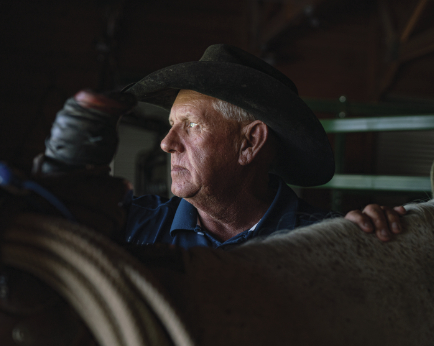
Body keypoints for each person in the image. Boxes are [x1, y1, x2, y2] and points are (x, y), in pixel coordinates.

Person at [37, 44, 405, 249]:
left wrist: (377, 243)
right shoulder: (133, 224)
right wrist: (66, 169)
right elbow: (42, 224)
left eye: (191, 125)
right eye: (170, 127)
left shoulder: (326, 241)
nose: (166, 144)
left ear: (250, 142)